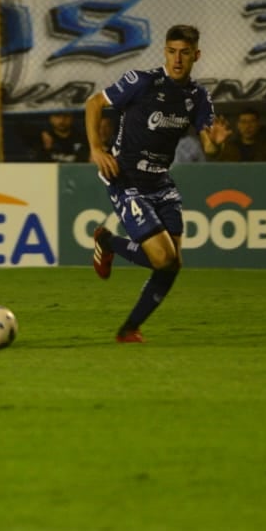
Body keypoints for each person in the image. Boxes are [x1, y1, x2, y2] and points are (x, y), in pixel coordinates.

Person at [87, 24, 231, 343]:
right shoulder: (142, 81)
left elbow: (210, 149)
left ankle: (128, 329)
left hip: (161, 182)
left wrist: (218, 143)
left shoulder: (198, 97)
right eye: (171, 51)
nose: (177, 59)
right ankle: (108, 242)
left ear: (196, 55)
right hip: (124, 177)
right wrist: (97, 148)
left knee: (172, 264)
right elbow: (94, 103)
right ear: (165, 51)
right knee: (163, 258)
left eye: (184, 53)